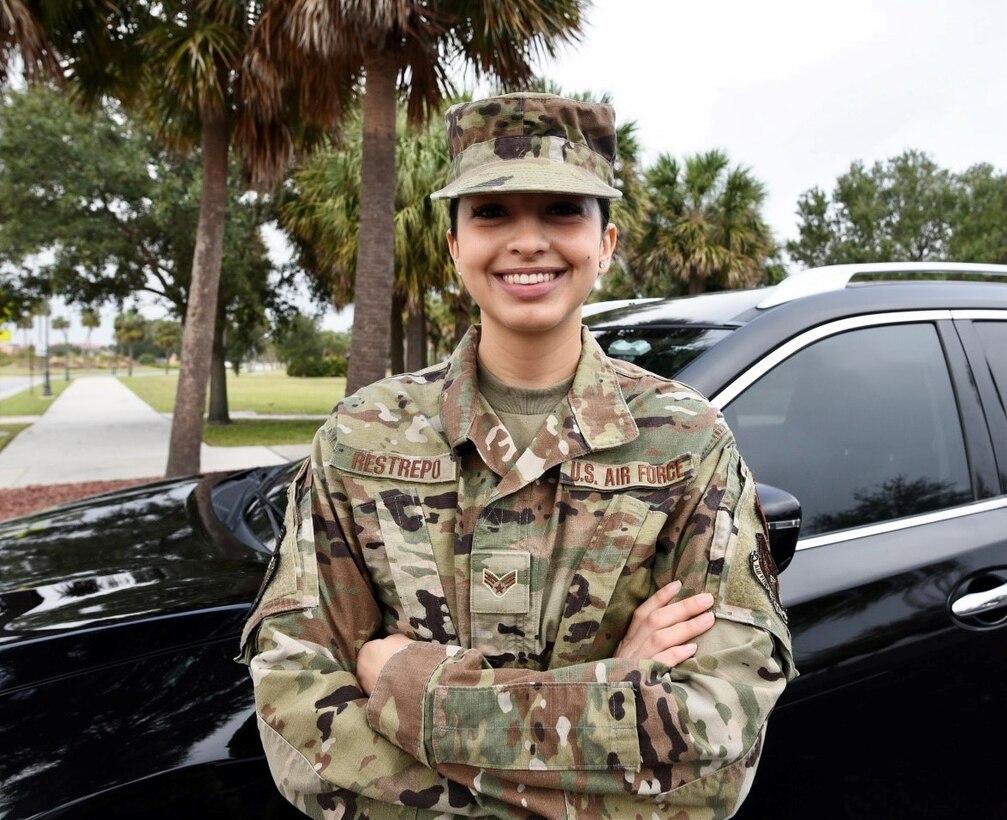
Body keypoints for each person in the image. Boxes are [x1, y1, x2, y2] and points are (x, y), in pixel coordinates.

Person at [239, 92, 795, 819]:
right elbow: (294, 709)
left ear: (606, 244)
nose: (526, 241)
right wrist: (617, 685)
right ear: (453, 245)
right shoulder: (362, 437)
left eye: (562, 211)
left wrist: (413, 692)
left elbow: (716, 742)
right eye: (492, 213)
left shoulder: (683, 442)